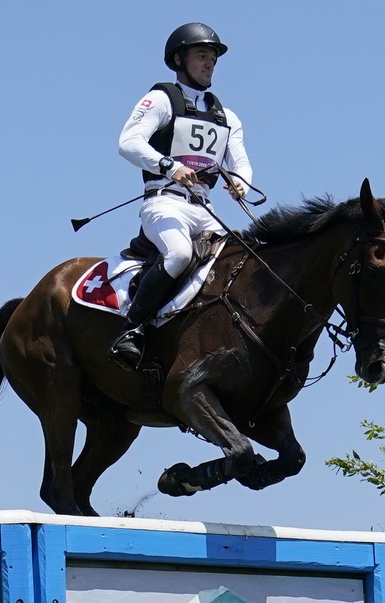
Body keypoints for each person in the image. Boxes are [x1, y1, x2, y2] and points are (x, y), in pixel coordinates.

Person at [111, 22, 253, 368]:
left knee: (244, 261)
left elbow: (241, 162)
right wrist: (169, 166)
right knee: (177, 254)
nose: (209, 64)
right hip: (163, 202)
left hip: (204, 209)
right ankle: (131, 331)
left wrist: (241, 183)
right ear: (179, 59)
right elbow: (128, 143)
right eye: (202, 56)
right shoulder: (161, 99)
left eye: (213, 59)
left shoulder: (227, 116)